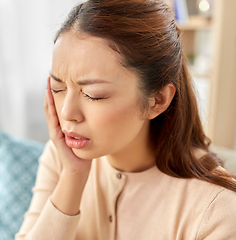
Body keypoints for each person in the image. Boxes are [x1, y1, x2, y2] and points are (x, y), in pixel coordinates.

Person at [15, 0, 236, 239]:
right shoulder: (61, 159)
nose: (67, 113)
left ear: (158, 99)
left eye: (93, 95)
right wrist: (73, 177)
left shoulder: (217, 210)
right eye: (58, 88)